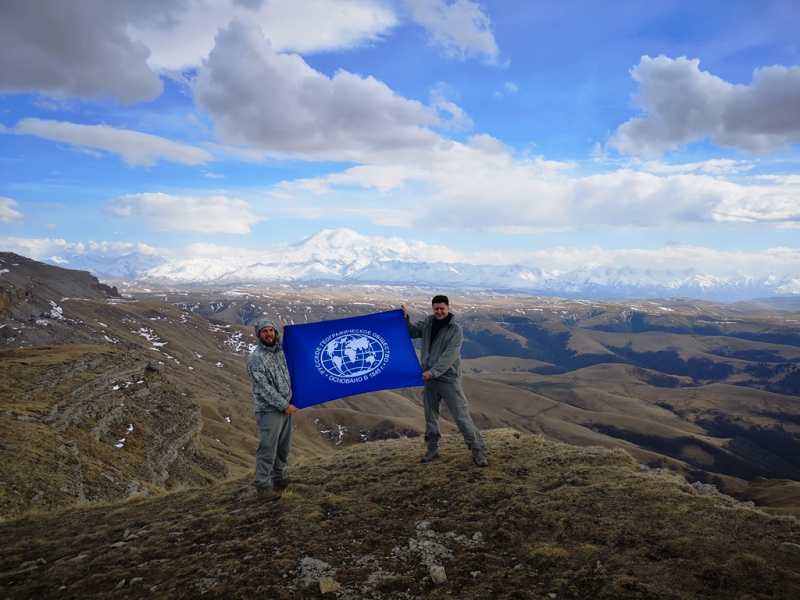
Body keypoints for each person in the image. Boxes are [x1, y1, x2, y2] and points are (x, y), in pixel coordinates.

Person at [403, 295, 488, 467]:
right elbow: (411, 332)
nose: (439, 311)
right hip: (430, 379)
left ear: (448, 308)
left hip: (448, 379)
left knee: (461, 416)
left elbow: (450, 355)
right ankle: (432, 449)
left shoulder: (455, 329)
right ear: (432, 309)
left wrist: (433, 372)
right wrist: (405, 319)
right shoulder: (427, 325)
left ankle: (477, 450)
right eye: (436, 309)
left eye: (442, 308)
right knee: (430, 416)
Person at [247, 317, 298, 501]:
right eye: (264, 331)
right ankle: (263, 486)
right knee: (268, 448)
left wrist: (290, 334)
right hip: (269, 411)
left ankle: (279, 477)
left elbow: (297, 347)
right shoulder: (256, 359)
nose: (269, 334)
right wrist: (284, 405)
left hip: (286, 408)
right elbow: (263, 388)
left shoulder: (280, 351)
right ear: (259, 335)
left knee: (283, 446)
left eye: (271, 330)